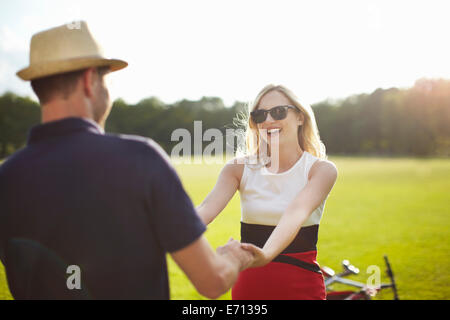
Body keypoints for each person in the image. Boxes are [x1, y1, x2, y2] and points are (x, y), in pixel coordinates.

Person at [0, 21, 253, 300]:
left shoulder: (6, 177)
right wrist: (233, 257)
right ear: (89, 80)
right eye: (106, 77)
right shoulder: (140, 159)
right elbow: (213, 281)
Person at [197, 84, 338, 299]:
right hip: (249, 286)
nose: (268, 120)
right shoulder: (237, 169)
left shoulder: (321, 170)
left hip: (301, 286)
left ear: (300, 117)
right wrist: (160, 232)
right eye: (260, 115)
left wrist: (266, 255)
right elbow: (205, 210)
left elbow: (296, 212)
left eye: (279, 112)